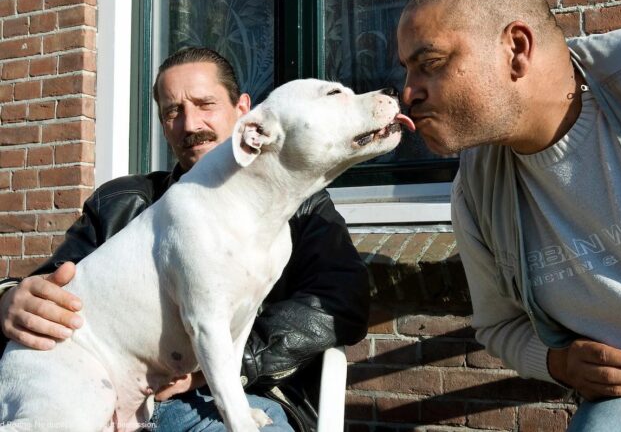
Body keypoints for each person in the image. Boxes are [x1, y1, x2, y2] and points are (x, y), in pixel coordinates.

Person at [397, 0, 621, 431]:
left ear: (516, 49)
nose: (408, 94)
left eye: (430, 64)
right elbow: (499, 326)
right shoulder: (477, 191)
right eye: (407, 70)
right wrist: (559, 362)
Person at [0, 47, 370, 431]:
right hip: (87, 382)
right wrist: (9, 297)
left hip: (229, 396)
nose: (190, 124)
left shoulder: (302, 206)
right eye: (172, 112)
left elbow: (343, 302)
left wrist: (223, 369)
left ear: (245, 111)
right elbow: (52, 284)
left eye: (205, 103)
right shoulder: (120, 202)